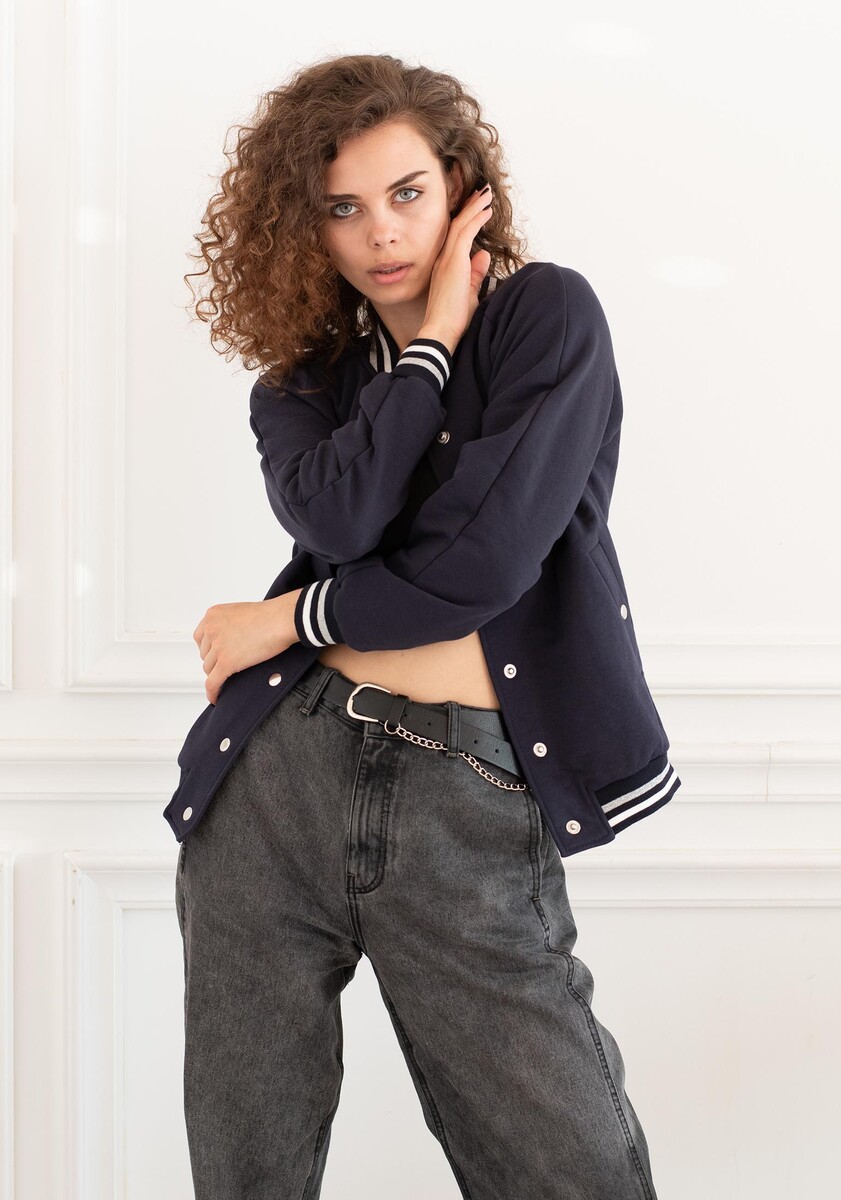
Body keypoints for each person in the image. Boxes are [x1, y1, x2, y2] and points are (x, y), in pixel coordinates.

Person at [172, 52, 674, 1199]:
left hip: (466, 791)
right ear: (305, 227)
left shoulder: (547, 318)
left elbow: (480, 566)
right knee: (247, 1174)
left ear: (460, 184)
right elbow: (341, 514)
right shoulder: (299, 387)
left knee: (573, 1170)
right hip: (276, 790)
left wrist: (289, 616)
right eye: (342, 208)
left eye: (405, 192)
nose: (382, 232)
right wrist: (430, 344)